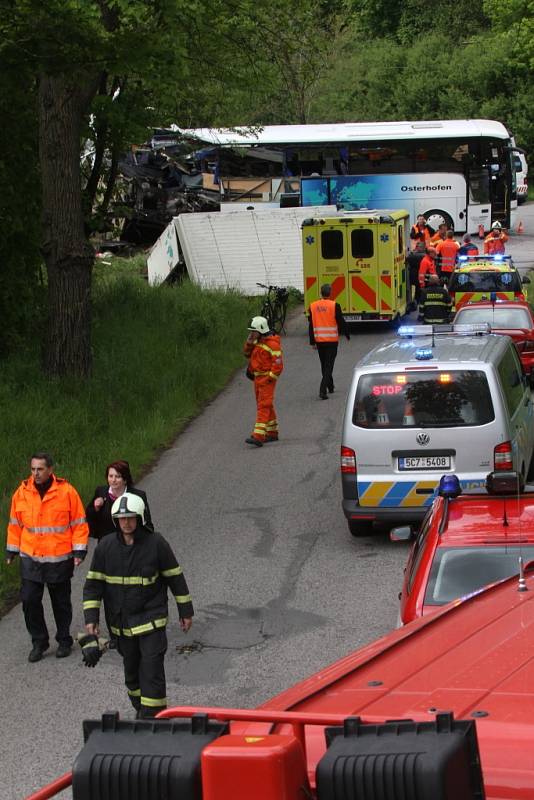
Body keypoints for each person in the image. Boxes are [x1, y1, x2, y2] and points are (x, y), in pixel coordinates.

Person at [83, 493, 193, 719]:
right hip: (121, 625)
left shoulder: (156, 544)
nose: (126, 522)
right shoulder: (105, 547)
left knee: (151, 670)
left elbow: (175, 577)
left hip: (151, 621)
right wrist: (91, 618)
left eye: (131, 517)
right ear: (115, 520)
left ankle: (154, 716)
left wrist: (185, 611)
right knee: (132, 673)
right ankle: (141, 708)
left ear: (140, 517)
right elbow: (93, 585)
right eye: (122, 518)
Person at [6, 452, 89, 662]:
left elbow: (79, 523)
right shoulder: (22, 493)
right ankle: (39, 642)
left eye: (40, 469)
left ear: (50, 470)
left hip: (58, 558)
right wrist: (12, 550)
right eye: (33, 469)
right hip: (30, 558)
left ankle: (63, 640)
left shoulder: (66, 492)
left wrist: (79, 550)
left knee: (60, 602)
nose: (35, 473)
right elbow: (15, 525)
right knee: (29, 600)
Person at [86, 459, 153, 540]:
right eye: (110, 476)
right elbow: (91, 519)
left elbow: (146, 523)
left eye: (118, 476)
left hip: (131, 543)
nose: (113, 480)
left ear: (125, 479)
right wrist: (96, 508)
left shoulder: (138, 496)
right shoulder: (101, 492)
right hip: (108, 544)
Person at [243, 316, 284, 447]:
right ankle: (272, 432)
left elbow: (278, 365)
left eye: (253, 331)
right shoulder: (257, 341)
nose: (251, 333)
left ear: (261, 330)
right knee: (266, 405)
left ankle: (258, 436)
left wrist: (269, 378)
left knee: (263, 406)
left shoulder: (272, 344)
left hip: (266, 379)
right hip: (257, 378)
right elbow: (246, 354)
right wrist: (249, 342)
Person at [309, 283, 350, 400]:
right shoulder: (334, 305)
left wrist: (312, 341)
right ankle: (323, 390)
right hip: (331, 341)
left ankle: (330, 386)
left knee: (324, 365)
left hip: (319, 341)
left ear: (321, 293)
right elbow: (340, 321)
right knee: (329, 365)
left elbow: (311, 325)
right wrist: (346, 334)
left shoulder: (313, 306)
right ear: (330, 293)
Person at [407, 241, 427, 306]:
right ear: (423, 248)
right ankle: (419, 302)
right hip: (422, 277)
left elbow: (407, 262)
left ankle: (414, 301)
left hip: (412, 276)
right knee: (420, 290)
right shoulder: (425, 256)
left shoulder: (411, 255)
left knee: (415, 290)